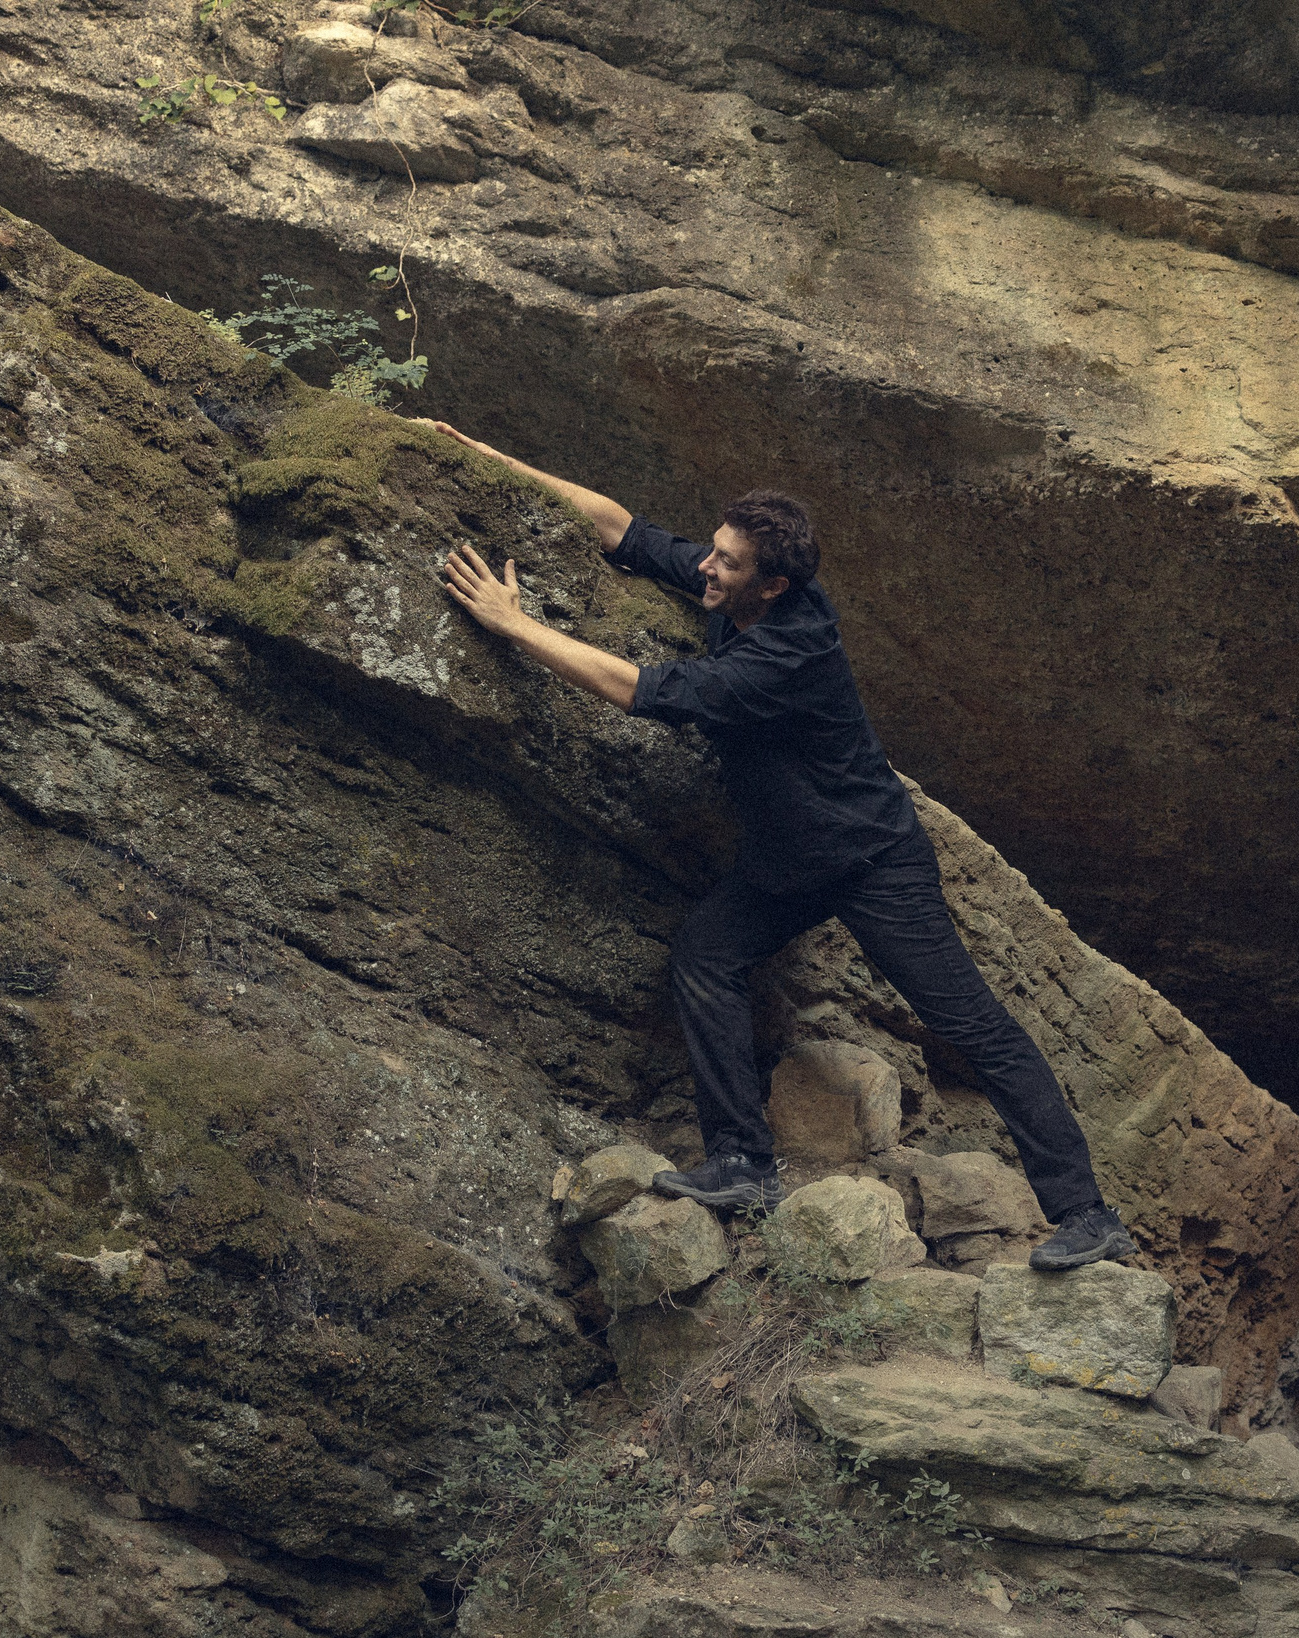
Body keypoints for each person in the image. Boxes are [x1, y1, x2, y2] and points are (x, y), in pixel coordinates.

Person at [420, 421, 1137, 1270]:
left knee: (971, 1024)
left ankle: (1087, 1213)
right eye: (713, 551)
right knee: (705, 955)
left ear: (775, 583)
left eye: (725, 563)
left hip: (873, 859)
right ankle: (742, 1163)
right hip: (790, 858)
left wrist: (513, 626)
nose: (706, 568)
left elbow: (641, 690)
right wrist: (471, 448)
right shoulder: (743, 584)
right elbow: (623, 528)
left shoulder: (786, 654)